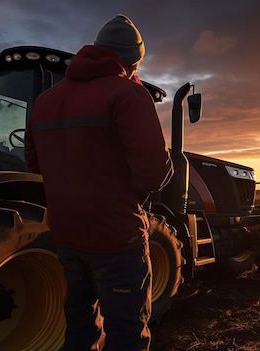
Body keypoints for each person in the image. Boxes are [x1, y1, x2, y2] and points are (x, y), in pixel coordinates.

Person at [25, 14, 173, 351]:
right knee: (125, 335)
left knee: (79, 331)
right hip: (116, 240)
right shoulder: (129, 95)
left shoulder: (45, 101)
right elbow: (153, 173)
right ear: (133, 60)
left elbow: (35, 165)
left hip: (67, 238)